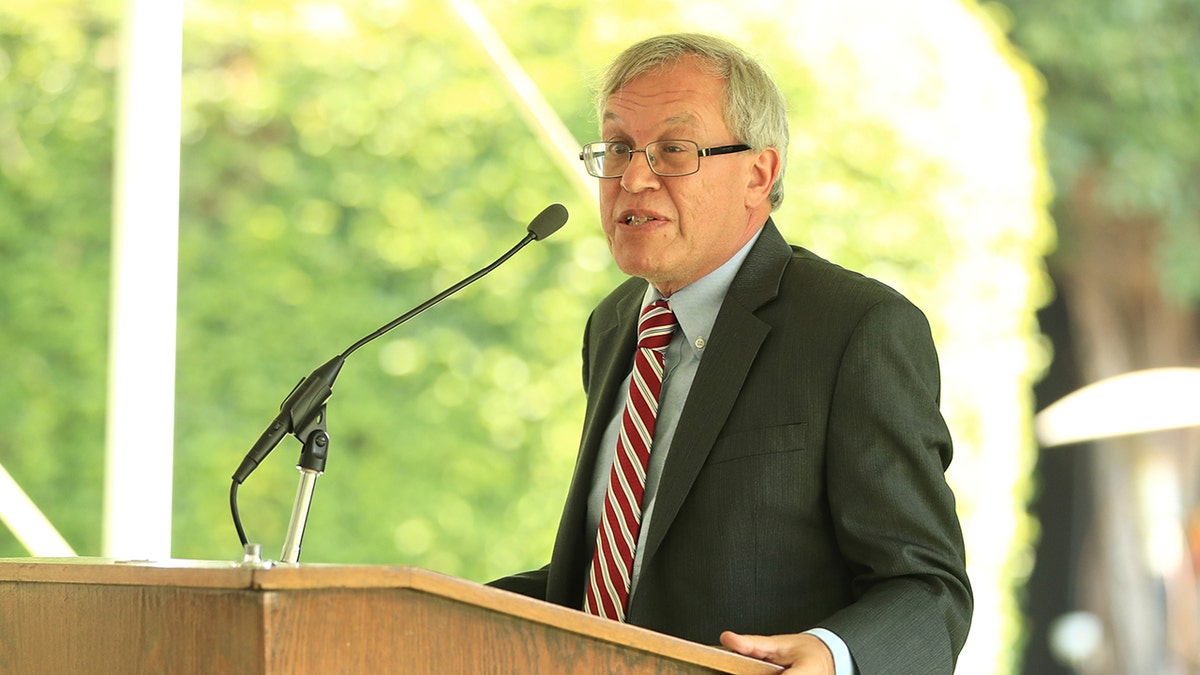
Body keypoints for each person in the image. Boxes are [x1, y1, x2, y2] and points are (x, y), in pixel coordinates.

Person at [490, 33, 972, 674]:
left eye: (673, 151)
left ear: (758, 174)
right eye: (618, 149)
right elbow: (620, 574)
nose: (633, 177)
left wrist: (834, 657)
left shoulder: (855, 328)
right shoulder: (613, 326)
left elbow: (927, 587)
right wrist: (424, 609)